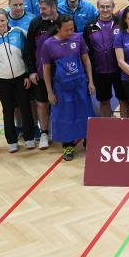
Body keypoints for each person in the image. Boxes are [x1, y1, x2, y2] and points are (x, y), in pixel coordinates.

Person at [40, 15, 94, 161]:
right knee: (65, 116)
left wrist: (91, 81)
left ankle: (88, 141)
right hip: (61, 88)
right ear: (58, 28)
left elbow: (86, 60)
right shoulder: (48, 44)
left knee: (85, 112)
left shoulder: (78, 38)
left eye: (72, 29)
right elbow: (46, 70)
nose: (70, 32)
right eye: (66, 30)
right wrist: (50, 92)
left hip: (80, 84)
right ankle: (68, 146)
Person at [0, 9, 36, 149]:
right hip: (1, 80)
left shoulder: (18, 33)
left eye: (2, 20)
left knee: (25, 108)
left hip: (21, 78)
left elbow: (27, 55)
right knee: (8, 111)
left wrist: (27, 74)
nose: (0, 23)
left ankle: (29, 138)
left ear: (7, 19)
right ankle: (12, 141)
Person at [83, 0, 129, 118]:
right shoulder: (89, 26)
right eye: (102, 7)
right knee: (104, 101)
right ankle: (107, 127)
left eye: (108, 6)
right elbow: (86, 51)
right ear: (97, 8)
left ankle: (125, 126)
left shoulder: (121, 23)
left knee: (123, 99)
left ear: (113, 7)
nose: (105, 9)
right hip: (99, 72)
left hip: (120, 70)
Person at [24, 0, 60, 149]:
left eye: (44, 8)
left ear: (53, 7)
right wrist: (31, 71)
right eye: (40, 8)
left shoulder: (64, 21)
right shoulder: (36, 23)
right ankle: (44, 133)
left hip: (61, 73)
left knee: (62, 102)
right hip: (40, 72)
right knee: (42, 103)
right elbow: (29, 49)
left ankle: (61, 131)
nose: (41, 11)